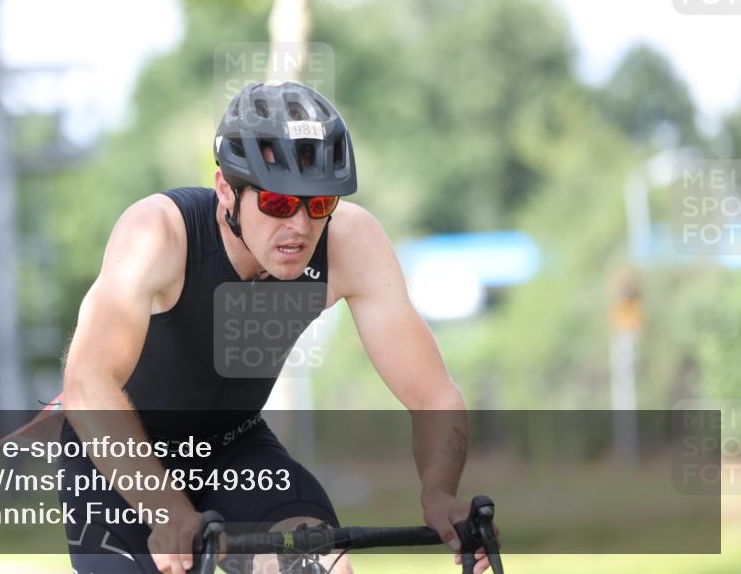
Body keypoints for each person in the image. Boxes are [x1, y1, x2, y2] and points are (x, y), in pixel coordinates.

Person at [56, 81, 496, 574]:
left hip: (235, 449)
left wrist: (439, 492)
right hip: (122, 461)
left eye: (319, 204)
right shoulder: (159, 232)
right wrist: (168, 509)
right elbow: (87, 383)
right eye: (279, 204)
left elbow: (433, 394)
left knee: (319, 567)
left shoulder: (351, 241)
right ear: (226, 189)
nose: (301, 227)